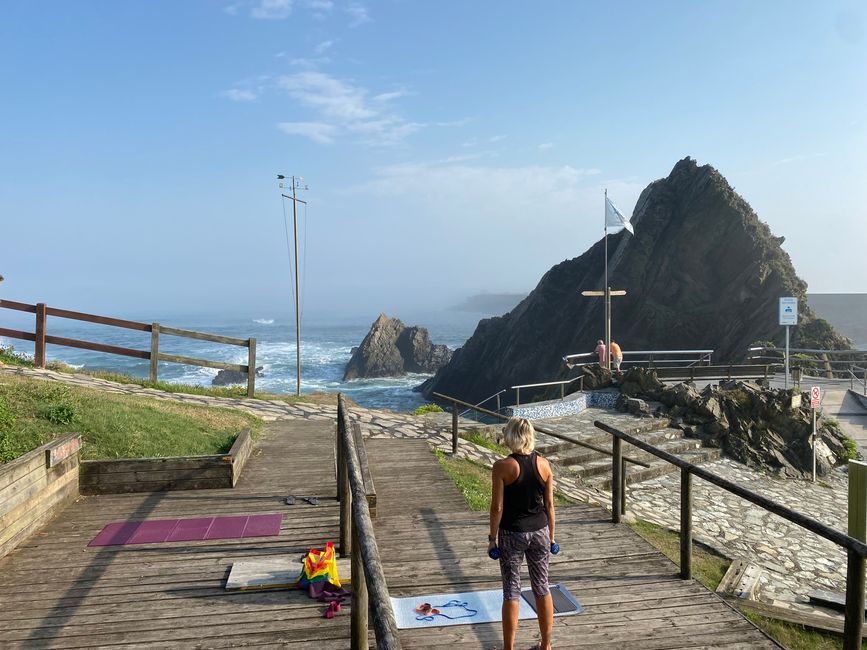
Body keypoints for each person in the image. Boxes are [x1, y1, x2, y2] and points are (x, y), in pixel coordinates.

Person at [489, 417, 555, 650]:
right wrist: (552, 536)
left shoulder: (503, 466)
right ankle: (546, 645)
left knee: (511, 590)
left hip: (512, 534)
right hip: (540, 531)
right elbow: (549, 504)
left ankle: (509, 648)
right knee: (542, 586)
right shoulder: (545, 464)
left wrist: (491, 538)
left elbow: (497, 507)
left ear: (511, 436)